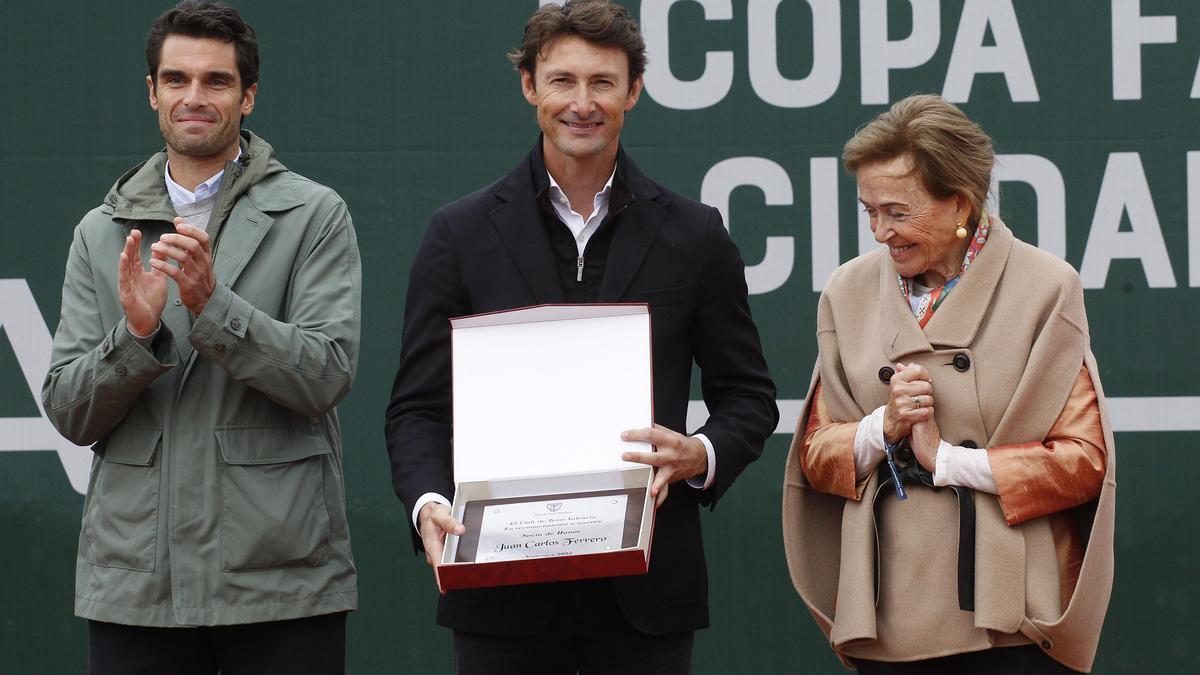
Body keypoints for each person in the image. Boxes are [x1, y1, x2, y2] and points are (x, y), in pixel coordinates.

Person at [384, 1, 778, 672]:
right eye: (563, 80)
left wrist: (699, 453)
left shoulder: (696, 233)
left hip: (646, 598)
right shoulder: (460, 232)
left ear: (634, 90)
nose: (582, 102)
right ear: (530, 87)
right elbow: (417, 406)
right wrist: (428, 503)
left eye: (602, 82)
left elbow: (749, 398)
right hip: (498, 597)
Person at [41, 2, 360, 673]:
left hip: (281, 581)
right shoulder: (99, 231)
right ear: (152, 91)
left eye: (216, 81)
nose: (194, 96)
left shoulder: (313, 213)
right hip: (137, 583)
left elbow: (326, 374)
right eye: (177, 79)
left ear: (248, 96)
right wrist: (135, 335)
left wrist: (213, 306)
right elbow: (70, 409)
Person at [782, 94, 1115, 673]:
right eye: (869, 212)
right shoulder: (846, 291)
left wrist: (947, 461)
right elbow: (815, 454)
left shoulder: (1047, 288)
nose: (881, 232)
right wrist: (882, 427)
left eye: (898, 212)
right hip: (888, 615)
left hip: (1009, 618)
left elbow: (1082, 463)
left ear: (959, 202)